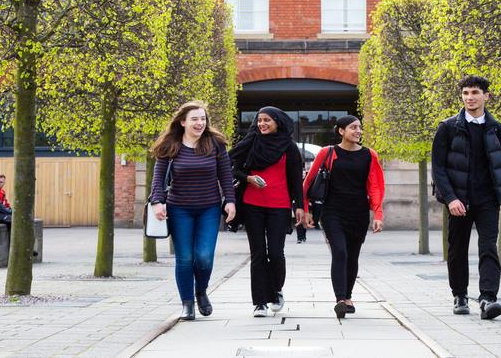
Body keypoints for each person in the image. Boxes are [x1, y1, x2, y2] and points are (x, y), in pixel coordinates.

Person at [431, 76, 501, 320]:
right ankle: (460, 296)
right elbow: (438, 168)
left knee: (488, 248)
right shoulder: (448, 127)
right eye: (466, 93)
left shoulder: (496, 128)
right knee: (457, 250)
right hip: (458, 202)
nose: (469, 97)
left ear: (486, 96)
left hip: (488, 200)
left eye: (474, 93)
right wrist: (451, 198)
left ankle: (488, 299)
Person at [149, 101, 237, 321]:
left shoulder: (215, 143)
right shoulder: (170, 145)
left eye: (203, 119)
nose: (200, 123)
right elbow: (158, 177)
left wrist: (230, 200)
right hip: (179, 209)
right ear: (183, 122)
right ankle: (187, 304)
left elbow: (225, 175)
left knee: (204, 257)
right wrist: (157, 201)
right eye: (195, 119)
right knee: (185, 258)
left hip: (209, 208)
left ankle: (201, 291)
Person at [302, 115, 385, 319]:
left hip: (358, 213)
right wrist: (305, 209)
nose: (358, 131)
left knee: (352, 255)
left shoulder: (369, 155)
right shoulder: (327, 152)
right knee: (340, 252)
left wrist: (378, 213)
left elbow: (375, 186)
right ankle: (340, 299)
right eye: (353, 127)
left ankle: (348, 297)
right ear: (341, 131)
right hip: (332, 212)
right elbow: (309, 182)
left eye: (359, 127)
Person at [229, 107, 304, 318]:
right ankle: (260, 302)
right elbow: (233, 168)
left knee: (276, 253)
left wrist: (299, 206)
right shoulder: (250, 142)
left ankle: (276, 290)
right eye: (259, 120)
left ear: (277, 122)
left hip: (279, 206)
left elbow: (295, 178)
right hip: (252, 204)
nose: (262, 124)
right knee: (258, 254)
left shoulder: (289, 146)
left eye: (267, 120)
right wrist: (248, 178)